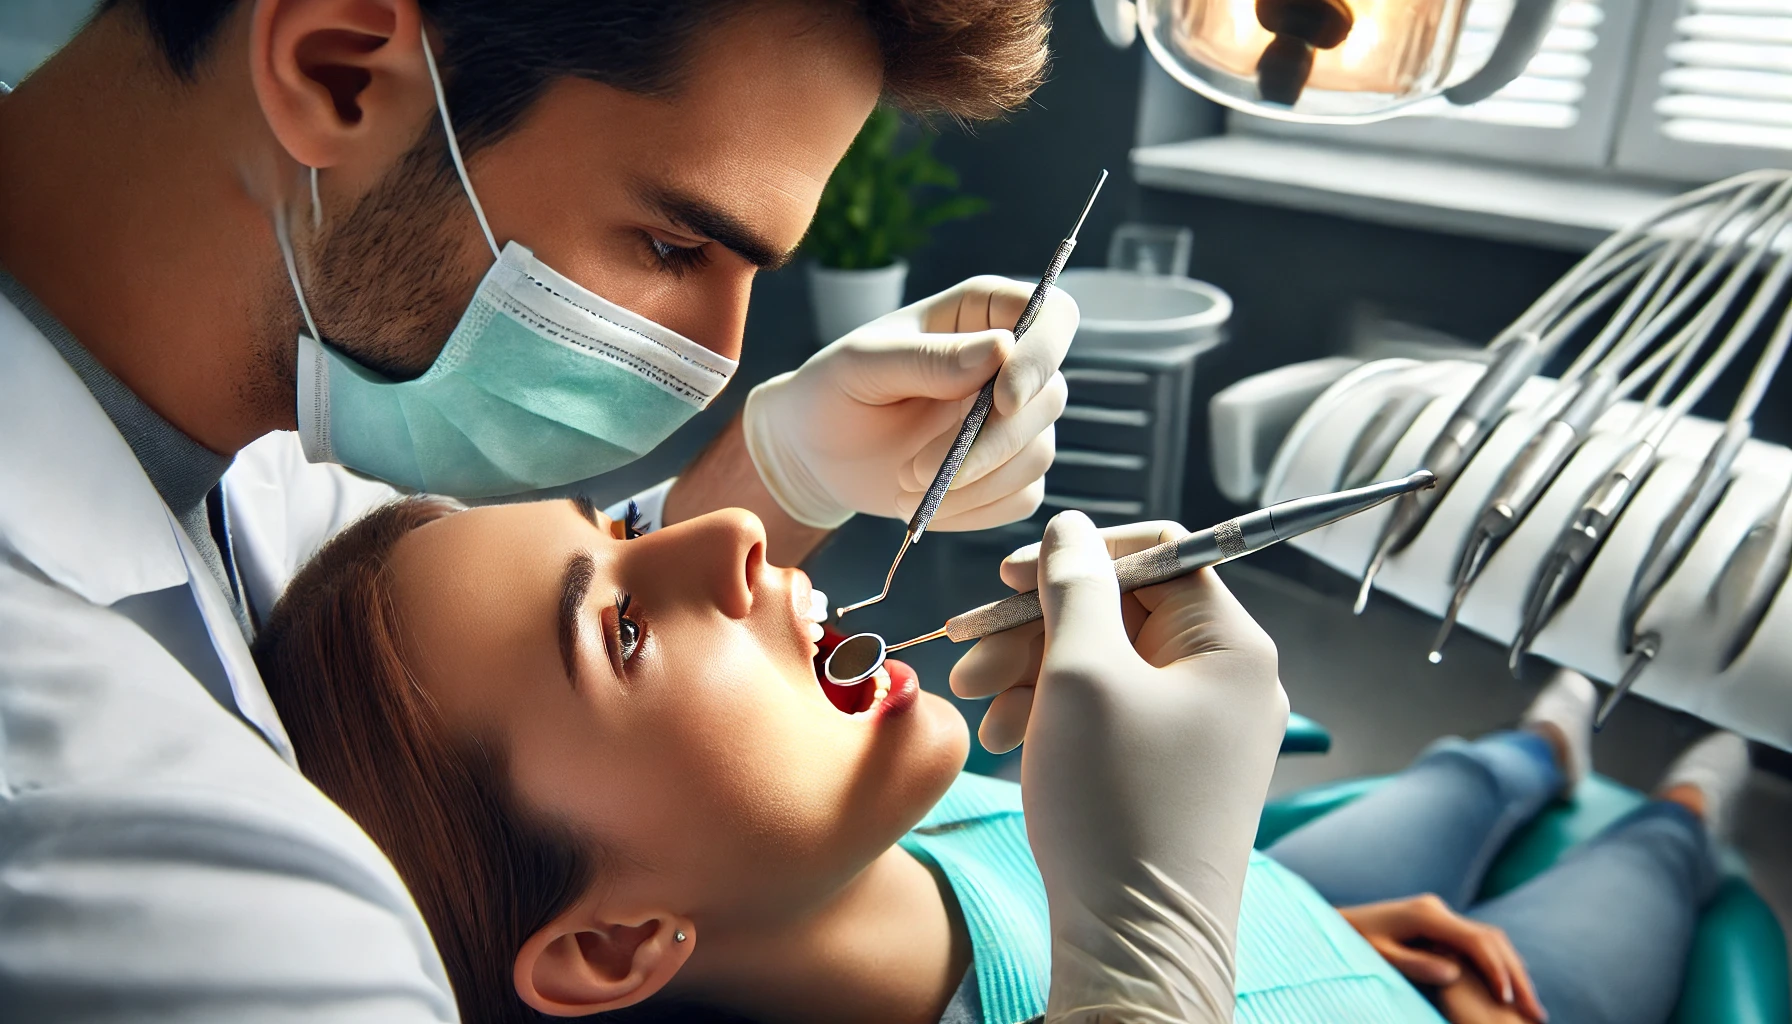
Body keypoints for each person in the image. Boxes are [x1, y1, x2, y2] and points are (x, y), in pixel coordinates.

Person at [0, 1, 1083, 1018]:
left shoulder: (267, 369)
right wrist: (1145, 939)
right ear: (337, 71)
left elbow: (515, 675)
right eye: (672, 246)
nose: (721, 360)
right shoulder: (160, 870)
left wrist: (782, 474)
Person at [252, 495, 1749, 1024]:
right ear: (615, 942)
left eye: (625, 531)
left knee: (1462, 784)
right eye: (622, 633)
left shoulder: (890, 838)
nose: (735, 533)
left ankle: (1540, 745)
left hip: (1281, 908)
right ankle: (1691, 792)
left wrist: (1261, 933)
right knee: (1664, 865)